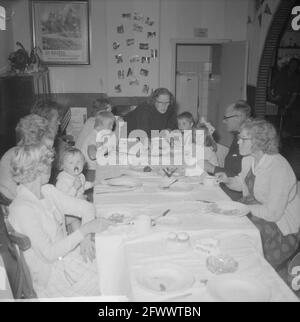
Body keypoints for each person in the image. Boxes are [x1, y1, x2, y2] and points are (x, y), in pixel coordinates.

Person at [8, 143, 109, 298]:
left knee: (111, 261)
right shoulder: (23, 208)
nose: (52, 166)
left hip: (66, 259)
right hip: (51, 277)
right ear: (38, 169)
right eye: (48, 163)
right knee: (109, 280)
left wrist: (86, 240)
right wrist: (83, 231)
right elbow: (49, 254)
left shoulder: (47, 191)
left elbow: (87, 208)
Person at [216, 119, 300, 269]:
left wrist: (242, 208)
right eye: (238, 137)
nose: (238, 142)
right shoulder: (248, 159)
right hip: (255, 207)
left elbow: (273, 213)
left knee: (244, 238)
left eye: (243, 139)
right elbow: (242, 183)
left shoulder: (279, 167)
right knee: (224, 222)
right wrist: (228, 180)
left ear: (259, 142)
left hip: (280, 223)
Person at [204, 100, 252, 200]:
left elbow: (244, 180)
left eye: (226, 118)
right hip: (228, 188)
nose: (223, 121)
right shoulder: (237, 137)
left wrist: (213, 168)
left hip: (238, 197)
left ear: (238, 117)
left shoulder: (249, 141)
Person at [0, 114, 51, 201]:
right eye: (46, 136)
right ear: (40, 135)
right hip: (10, 202)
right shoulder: (29, 156)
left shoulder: (15, 151)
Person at [271, 58, 300, 136]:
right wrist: (272, 95)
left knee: (286, 116)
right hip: (277, 98)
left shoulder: (297, 77)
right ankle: (275, 132)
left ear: (297, 66)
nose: (293, 66)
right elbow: (272, 84)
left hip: (288, 100)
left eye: (296, 64)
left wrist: (289, 104)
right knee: (275, 116)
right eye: (292, 63)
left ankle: (284, 133)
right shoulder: (281, 72)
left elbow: (295, 93)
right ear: (289, 64)